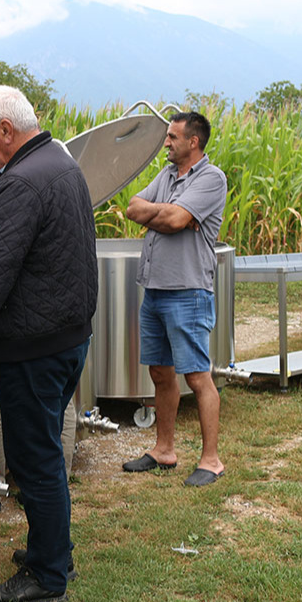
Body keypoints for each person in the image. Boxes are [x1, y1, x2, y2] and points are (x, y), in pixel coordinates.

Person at [0, 85, 97, 602]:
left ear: (6, 131)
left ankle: (48, 575)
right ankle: (52, 548)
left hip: (34, 348)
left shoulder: (22, 182)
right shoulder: (59, 162)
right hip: (66, 337)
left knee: (34, 458)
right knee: (42, 454)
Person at [0, 175, 80, 514]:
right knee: (60, 401)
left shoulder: (33, 183)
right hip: (64, 323)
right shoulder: (67, 184)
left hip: (26, 323)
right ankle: (55, 482)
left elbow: (4, 247)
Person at [119, 112, 228, 487]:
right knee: (160, 373)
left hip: (188, 293)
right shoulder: (166, 176)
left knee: (198, 377)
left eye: (172, 137)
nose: (166, 142)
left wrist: (174, 216)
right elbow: (133, 207)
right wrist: (164, 214)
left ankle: (211, 460)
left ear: (193, 142)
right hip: (154, 290)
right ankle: (164, 450)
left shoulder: (212, 179)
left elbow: (177, 221)